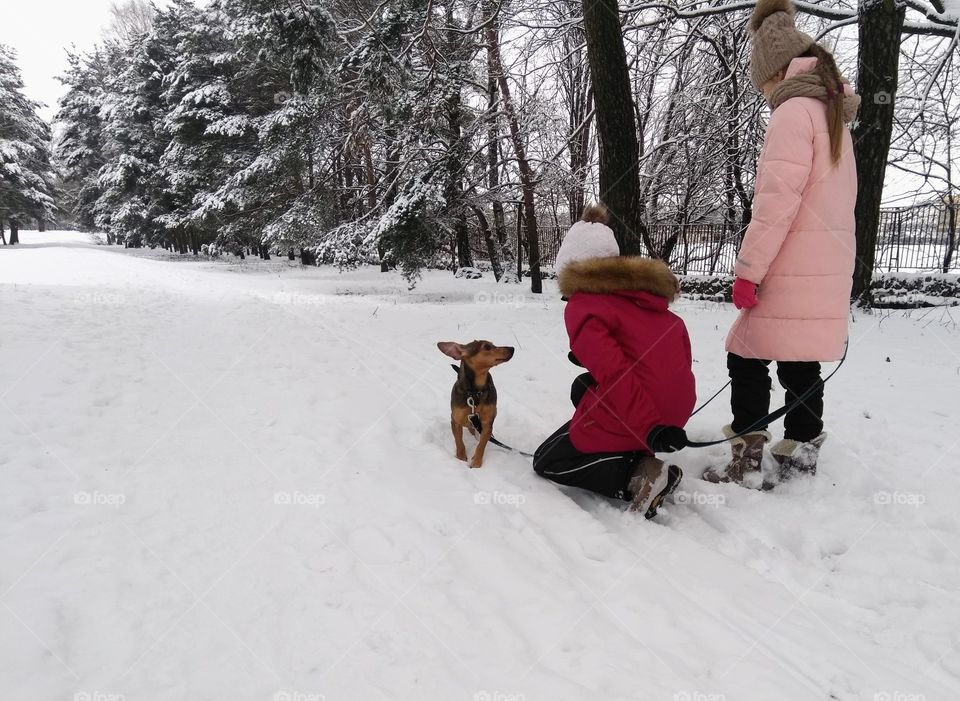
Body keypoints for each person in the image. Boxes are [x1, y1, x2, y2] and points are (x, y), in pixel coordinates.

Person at [702, 0, 860, 487]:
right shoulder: (831, 116)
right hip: (824, 268)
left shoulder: (793, 113)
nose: (763, 92)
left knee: (745, 356)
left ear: (774, 73)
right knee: (798, 359)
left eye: (761, 82)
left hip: (788, 268)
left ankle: (746, 455)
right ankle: (800, 454)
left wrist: (749, 270)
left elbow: (776, 204)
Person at [533, 256, 696, 517]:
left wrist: (650, 428)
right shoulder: (667, 316)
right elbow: (675, 369)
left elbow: (617, 376)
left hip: (647, 420)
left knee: (548, 461)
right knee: (582, 386)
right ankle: (628, 449)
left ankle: (639, 475)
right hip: (673, 415)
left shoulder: (585, 305)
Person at [553, 203, 620, 275]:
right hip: (601, 277)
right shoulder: (606, 233)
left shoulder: (576, 229)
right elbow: (613, 252)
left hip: (569, 276)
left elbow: (563, 256)